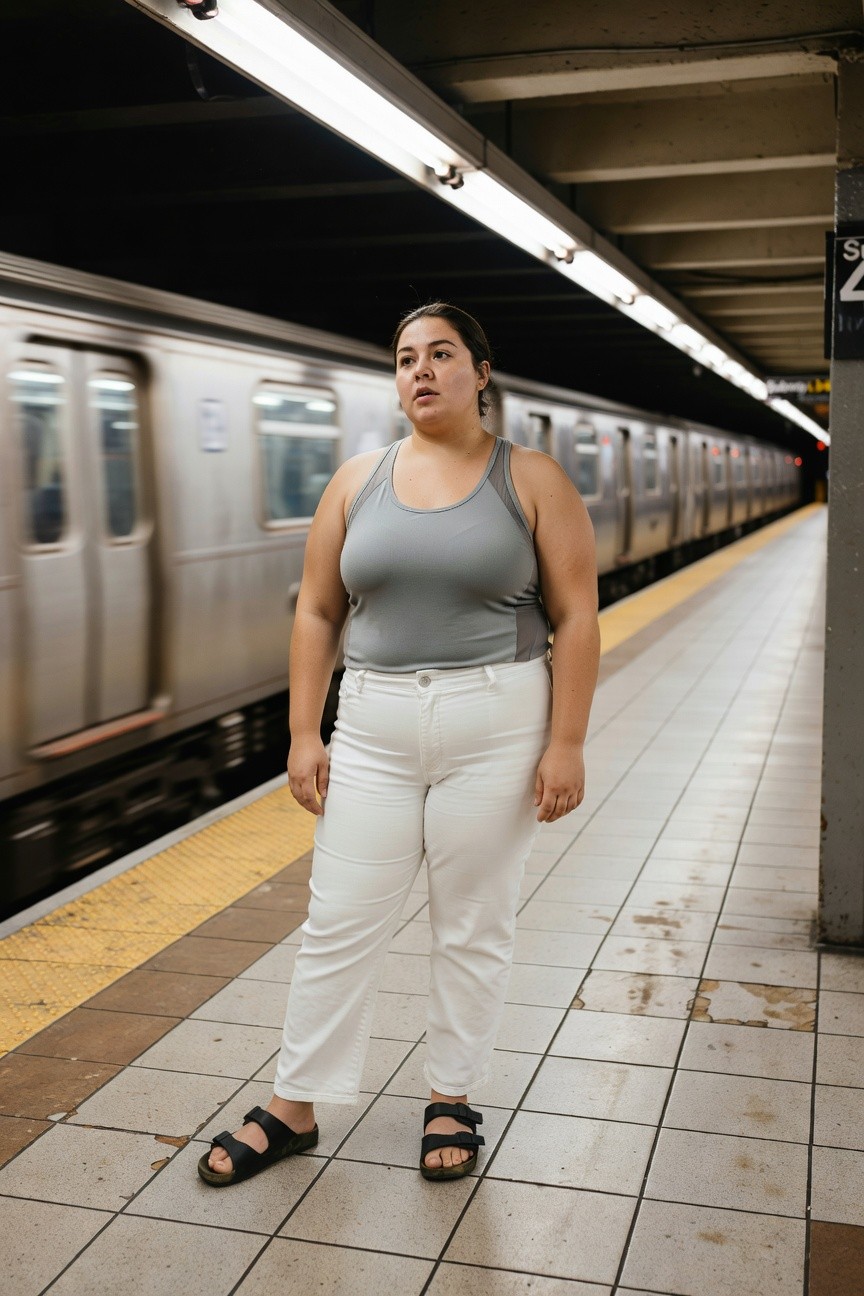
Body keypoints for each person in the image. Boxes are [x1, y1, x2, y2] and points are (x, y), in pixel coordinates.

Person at [198, 303, 600, 1186]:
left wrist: (565, 742)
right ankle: (294, 1105)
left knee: (472, 923)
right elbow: (316, 610)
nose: (420, 371)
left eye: (442, 354)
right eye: (406, 358)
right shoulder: (355, 480)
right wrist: (304, 731)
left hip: (497, 719)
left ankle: (451, 1096)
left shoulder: (531, 479)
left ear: (481, 373)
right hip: (373, 724)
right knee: (338, 920)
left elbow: (575, 617)